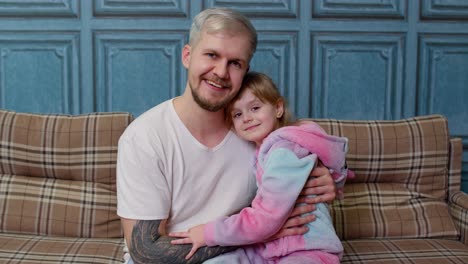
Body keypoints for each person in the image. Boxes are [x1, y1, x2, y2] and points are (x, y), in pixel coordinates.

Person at [116, 7, 338, 264]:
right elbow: (147, 253)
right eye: (211, 55)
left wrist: (326, 181)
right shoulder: (145, 138)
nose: (221, 72)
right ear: (187, 56)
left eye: (235, 63)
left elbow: (299, 167)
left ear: (245, 71)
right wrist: (261, 236)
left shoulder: (258, 132)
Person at [169, 72, 349, 263]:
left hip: (307, 249)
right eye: (237, 114)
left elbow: (265, 219)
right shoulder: (264, 151)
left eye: (255, 108)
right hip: (270, 248)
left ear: (278, 108)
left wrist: (209, 233)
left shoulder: (284, 153)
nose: (246, 118)